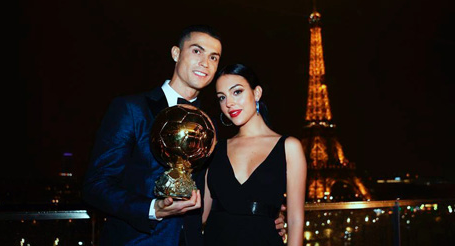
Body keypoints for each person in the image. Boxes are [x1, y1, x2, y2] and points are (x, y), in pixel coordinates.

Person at [82, 25, 286, 246]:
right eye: (197, 51)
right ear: (176, 54)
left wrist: (266, 215)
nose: (205, 63)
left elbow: (220, 193)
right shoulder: (131, 109)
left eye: (213, 57)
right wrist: (152, 209)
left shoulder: (213, 127)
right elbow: (95, 185)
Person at [202, 63, 307, 246]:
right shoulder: (213, 149)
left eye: (237, 92)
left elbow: (296, 220)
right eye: (221, 97)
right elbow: (201, 215)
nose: (229, 103)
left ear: (257, 93)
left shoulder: (289, 147)